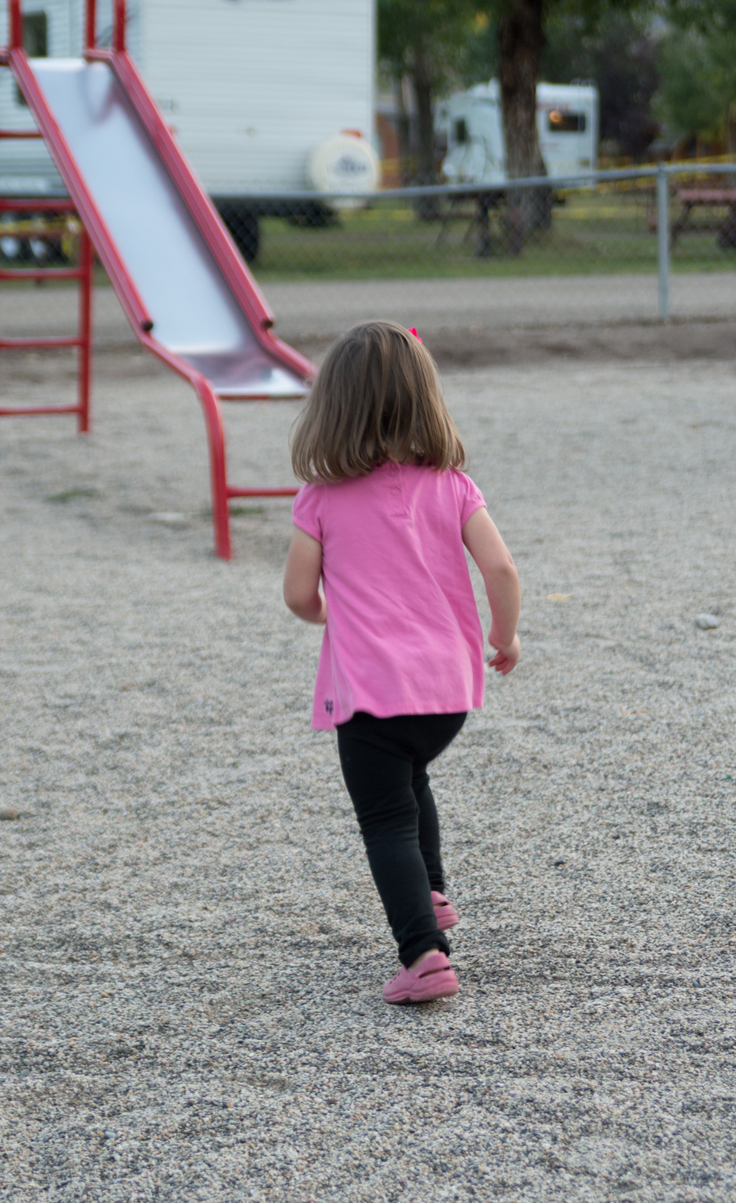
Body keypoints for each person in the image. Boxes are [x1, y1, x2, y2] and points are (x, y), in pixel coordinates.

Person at [283, 321, 520, 1005]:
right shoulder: (454, 485)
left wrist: (328, 613)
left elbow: (300, 593)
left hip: (372, 695)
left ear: (333, 407)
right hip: (447, 692)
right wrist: (505, 636)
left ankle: (422, 954)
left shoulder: (321, 498)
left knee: (385, 818)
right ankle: (434, 892)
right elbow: (501, 568)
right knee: (413, 779)